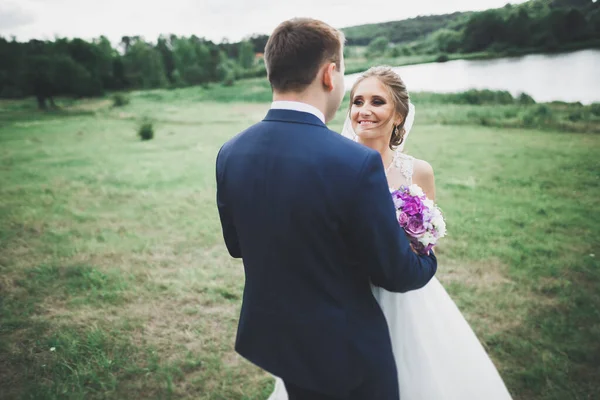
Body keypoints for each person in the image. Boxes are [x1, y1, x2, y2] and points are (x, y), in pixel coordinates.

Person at [215, 19, 437, 400]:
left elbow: (238, 245)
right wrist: (427, 255)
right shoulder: (354, 163)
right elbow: (396, 273)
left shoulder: (231, 152)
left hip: (283, 347)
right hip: (348, 357)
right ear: (330, 74)